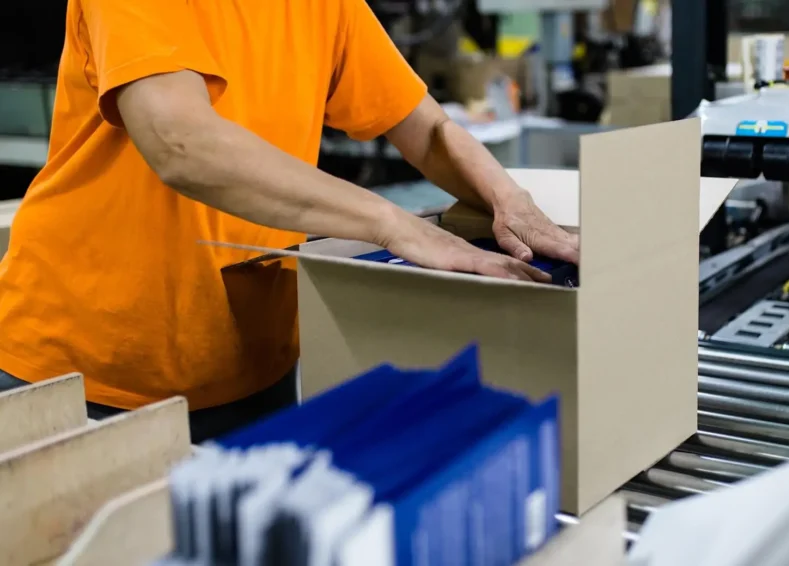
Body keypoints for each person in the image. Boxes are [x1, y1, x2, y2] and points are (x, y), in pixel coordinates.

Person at [0, 0, 578, 442]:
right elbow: (179, 142)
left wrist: (514, 203)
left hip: (250, 364)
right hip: (80, 374)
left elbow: (424, 128)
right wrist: (394, 224)